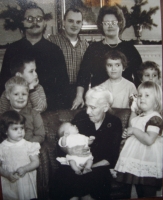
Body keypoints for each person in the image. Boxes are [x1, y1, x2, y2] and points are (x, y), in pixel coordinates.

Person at [50, 85, 122, 200]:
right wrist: (69, 150)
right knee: (63, 176)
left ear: (105, 107)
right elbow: (61, 144)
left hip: (98, 167)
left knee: (94, 181)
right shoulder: (81, 117)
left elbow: (111, 157)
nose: (88, 111)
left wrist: (89, 166)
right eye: (87, 106)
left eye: (93, 107)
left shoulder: (114, 123)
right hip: (74, 165)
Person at [0, 2, 69, 110]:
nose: (35, 22)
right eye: (29, 19)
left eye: (39, 19)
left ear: (44, 23)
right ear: (22, 22)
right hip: (17, 111)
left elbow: (63, 86)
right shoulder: (12, 49)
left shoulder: (55, 50)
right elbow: (4, 83)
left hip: (49, 109)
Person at [72, 5, 142, 110]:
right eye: (106, 23)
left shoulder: (129, 49)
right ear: (101, 25)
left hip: (124, 102)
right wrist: (79, 96)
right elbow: (83, 74)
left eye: (113, 22)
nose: (110, 26)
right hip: (100, 102)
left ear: (120, 23)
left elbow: (140, 77)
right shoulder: (93, 48)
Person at [115, 81, 162, 198]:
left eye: (147, 95)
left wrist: (134, 131)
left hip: (148, 157)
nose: (142, 98)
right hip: (136, 157)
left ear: (156, 100)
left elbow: (149, 140)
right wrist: (129, 134)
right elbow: (133, 123)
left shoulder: (155, 118)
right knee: (138, 190)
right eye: (140, 95)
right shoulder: (141, 116)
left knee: (147, 191)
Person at [49, 8, 89, 108]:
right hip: (59, 92)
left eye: (78, 22)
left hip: (80, 92)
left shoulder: (86, 45)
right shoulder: (52, 41)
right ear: (64, 22)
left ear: (81, 25)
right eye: (71, 21)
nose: (74, 25)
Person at [0, 110, 40, 200]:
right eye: (15, 129)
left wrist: (25, 169)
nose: (20, 132)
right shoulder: (2, 148)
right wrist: (7, 174)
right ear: (5, 131)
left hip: (26, 182)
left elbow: (36, 162)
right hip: (10, 182)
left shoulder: (29, 145)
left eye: (22, 128)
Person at [4, 76, 45, 144]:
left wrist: (25, 145)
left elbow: (40, 136)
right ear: (8, 96)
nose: (21, 97)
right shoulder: (4, 116)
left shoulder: (34, 114)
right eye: (16, 94)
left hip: (29, 148)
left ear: (28, 95)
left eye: (24, 94)